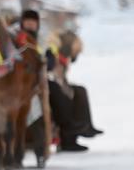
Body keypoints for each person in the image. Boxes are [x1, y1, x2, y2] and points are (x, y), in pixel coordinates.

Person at [17, 10, 103, 152]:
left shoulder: (43, 39)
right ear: (22, 23)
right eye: (27, 22)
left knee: (76, 91)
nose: (30, 25)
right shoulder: (18, 38)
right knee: (57, 90)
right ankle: (68, 127)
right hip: (24, 80)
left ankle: (80, 128)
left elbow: (51, 57)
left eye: (33, 22)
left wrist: (49, 60)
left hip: (40, 76)